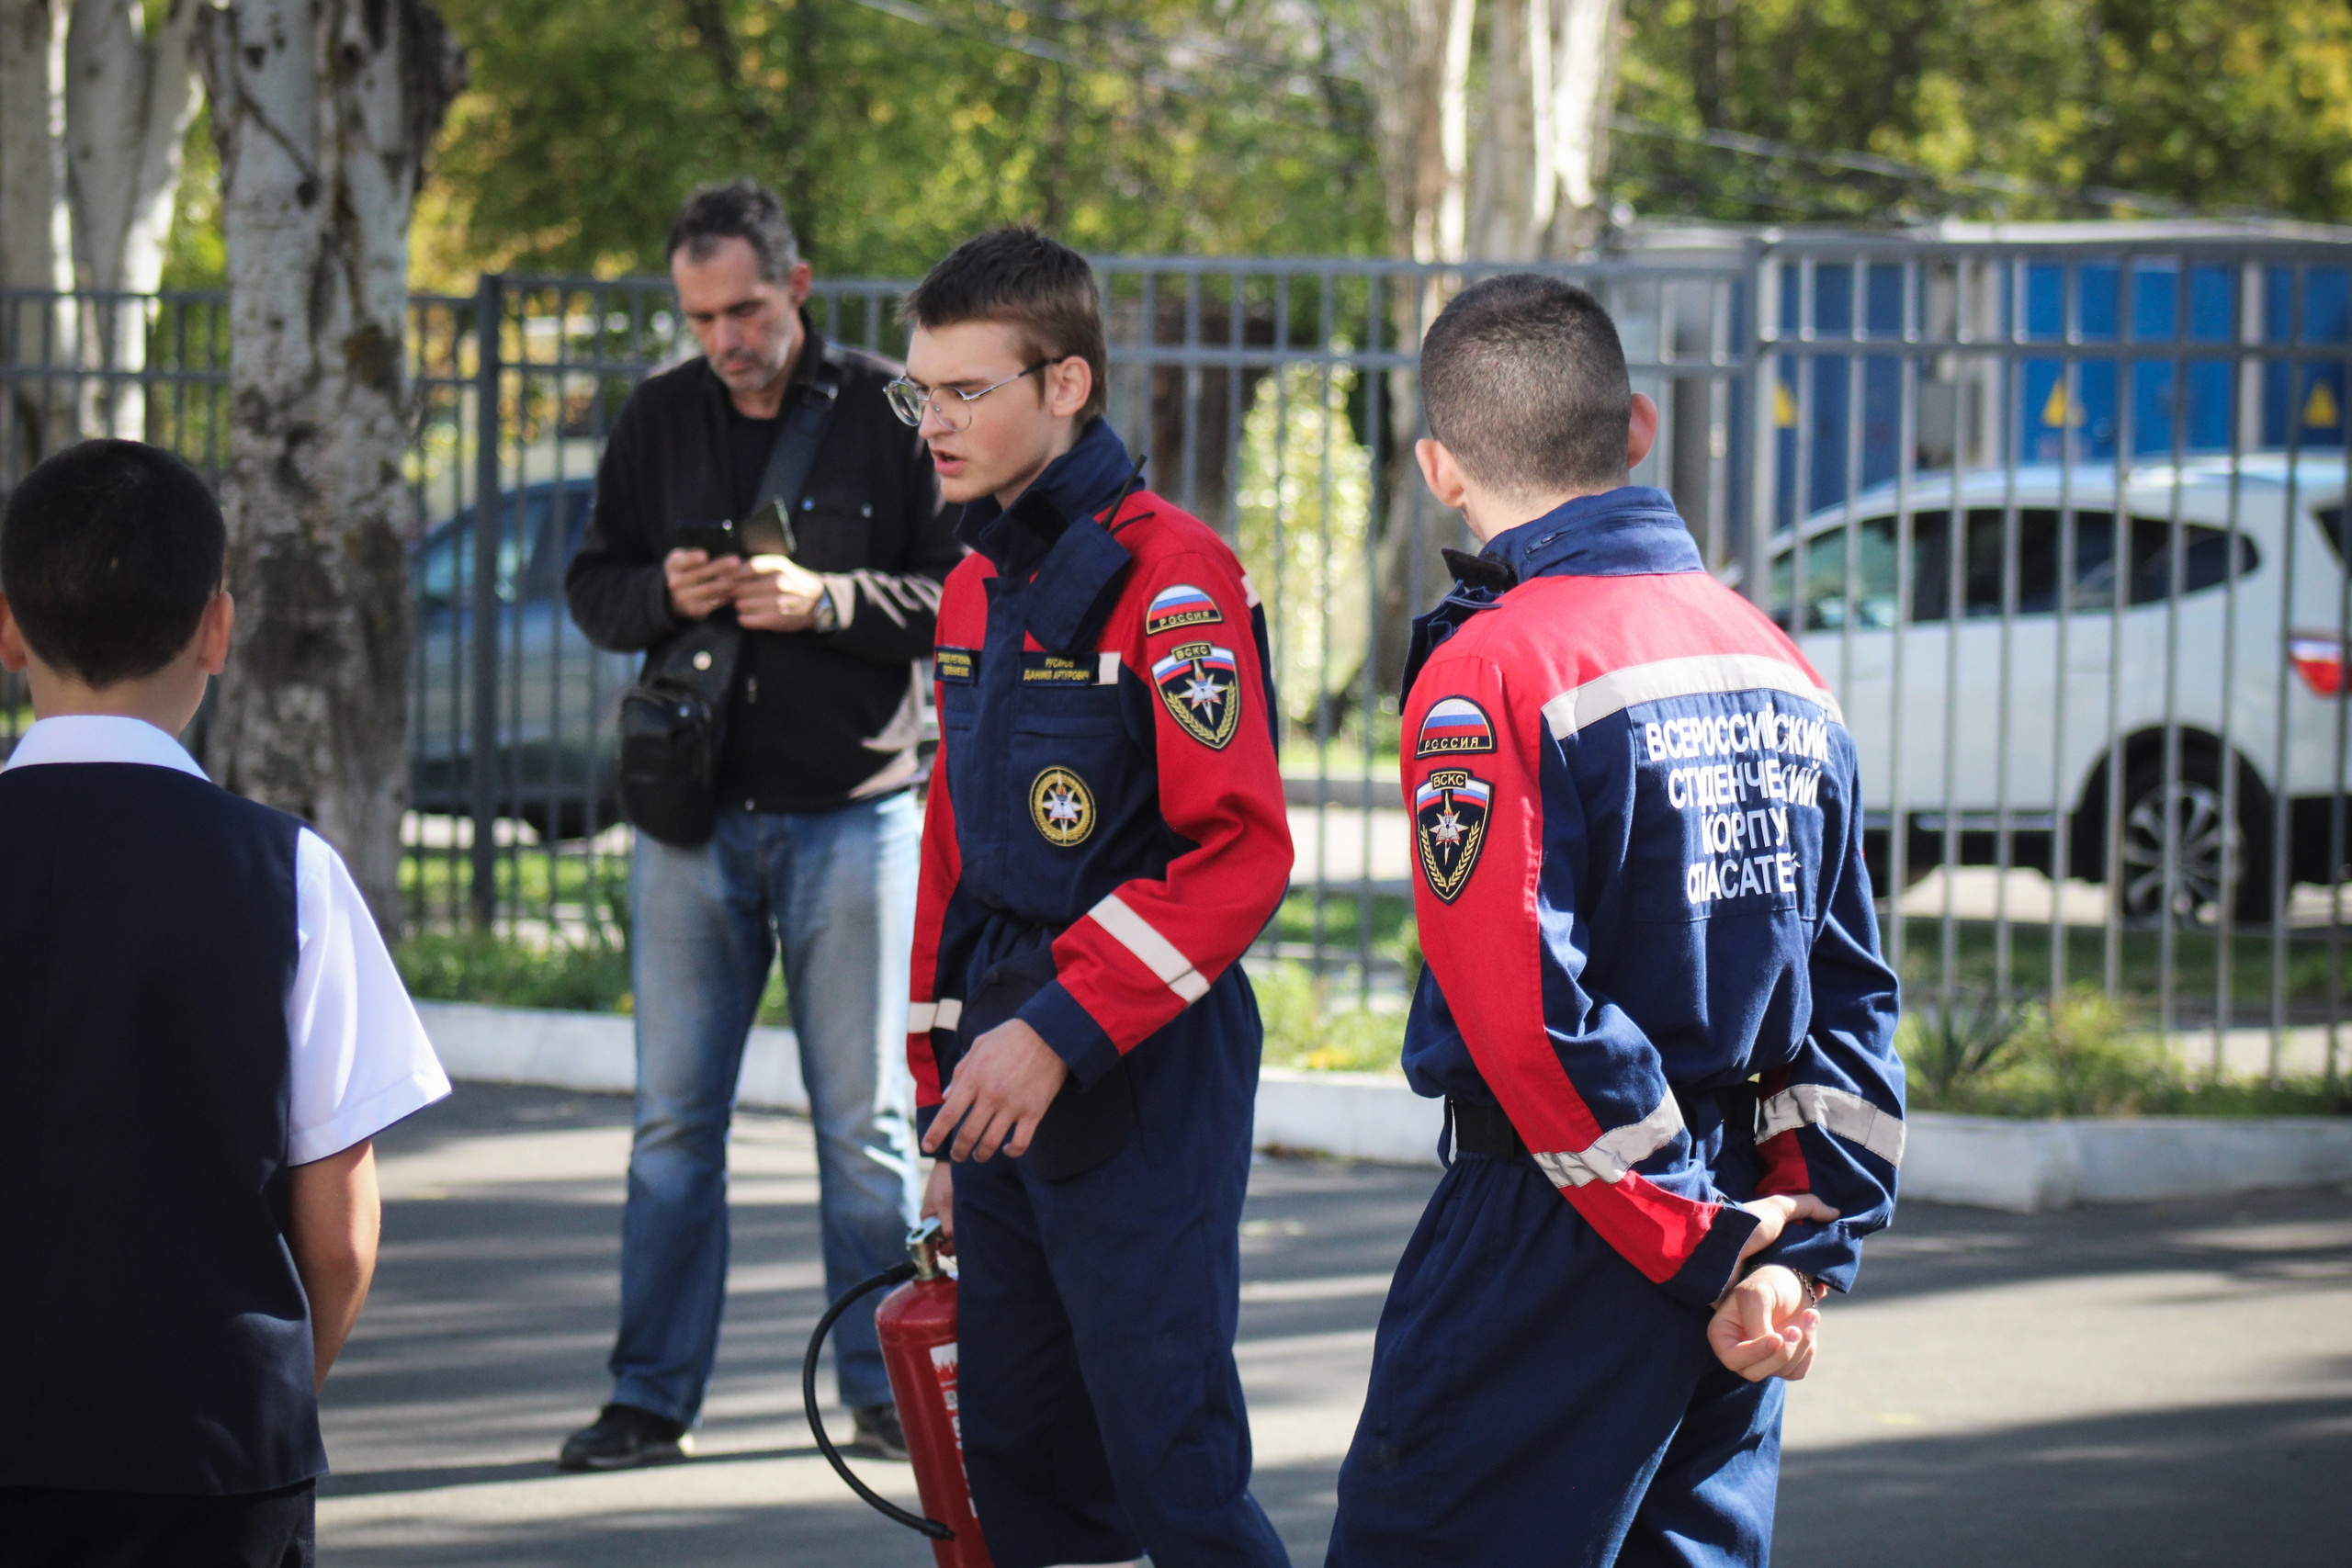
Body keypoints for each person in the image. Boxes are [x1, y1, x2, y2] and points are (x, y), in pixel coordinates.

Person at [1325, 276, 1905, 1567]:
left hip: (1564, 1221)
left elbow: (1530, 1015)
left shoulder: (1493, 665)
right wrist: (1800, 1244)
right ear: (1635, 426)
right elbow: (1853, 992)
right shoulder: (1774, 657)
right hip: (1738, 1223)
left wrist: (1697, 1236)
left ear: (1438, 466)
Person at [899, 227, 1295, 1568]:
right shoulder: (971, 583)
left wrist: (1060, 1028)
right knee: (1017, 1466)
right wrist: (939, 1103)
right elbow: (954, 853)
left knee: (1168, 1456)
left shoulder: (1177, 579)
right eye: (920, 391)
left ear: (1066, 384)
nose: (934, 423)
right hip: (999, 1076)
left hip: (1139, 1068)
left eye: (966, 390)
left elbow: (1241, 850)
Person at [560, 180, 958, 1469]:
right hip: (692, 822)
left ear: (795, 284)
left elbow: (965, 594)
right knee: (673, 1125)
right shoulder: (658, 415)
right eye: (699, 317)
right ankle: (647, 1397)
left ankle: (889, 1385)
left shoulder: (893, 410)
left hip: (857, 814)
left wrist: (830, 600)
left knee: (869, 1131)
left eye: (743, 308)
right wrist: (661, 591)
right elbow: (591, 585)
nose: (724, 337)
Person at [0, 439, 451, 1568]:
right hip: (206, 1446)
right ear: (217, 627)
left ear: (8, 630)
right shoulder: (286, 872)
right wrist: (273, 1399)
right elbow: (339, 1234)